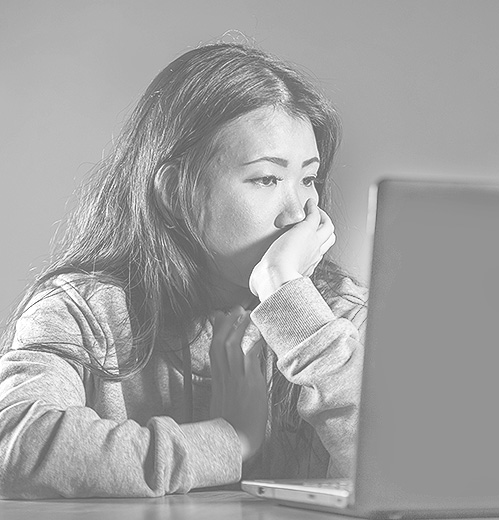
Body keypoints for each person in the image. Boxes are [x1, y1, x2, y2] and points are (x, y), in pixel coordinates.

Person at [0, 42, 367, 499]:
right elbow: (17, 445)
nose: (299, 213)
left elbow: (405, 471)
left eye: (308, 179)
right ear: (176, 192)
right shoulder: (82, 312)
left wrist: (291, 305)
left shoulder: (335, 315)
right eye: (267, 179)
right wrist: (230, 440)